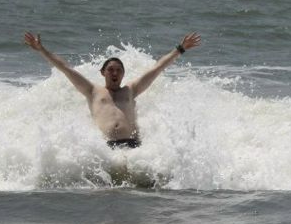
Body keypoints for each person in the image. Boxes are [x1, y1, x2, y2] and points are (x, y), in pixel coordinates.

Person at [23, 31, 201, 148]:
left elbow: (157, 68)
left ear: (123, 74)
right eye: (110, 69)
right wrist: (42, 50)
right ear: (102, 73)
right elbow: (65, 68)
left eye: (119, 70)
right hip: (107, 149)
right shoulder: (92, 91)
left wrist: (180, 49)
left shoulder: (131, 90)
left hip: (133, 147)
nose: (114, 73)